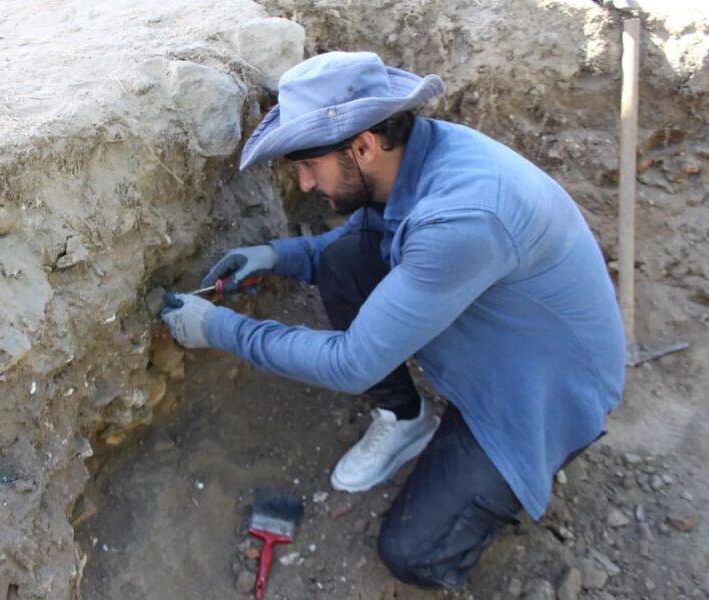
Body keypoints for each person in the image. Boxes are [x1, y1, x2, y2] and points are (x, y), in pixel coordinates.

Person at [161, 51, 626, 588]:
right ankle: (407, 420)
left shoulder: (461, 218)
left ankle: (506, 469)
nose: (306, 185)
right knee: (342, 260)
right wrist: (278, 254)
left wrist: (218, 328)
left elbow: (351, 363)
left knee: (411, 552)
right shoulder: (418, 158)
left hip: (538, 395)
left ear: (363, 145)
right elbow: (366, 240)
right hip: (504, 341)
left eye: (309, 166)